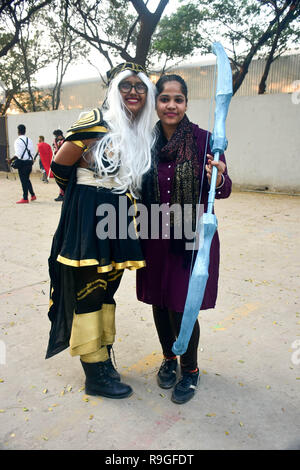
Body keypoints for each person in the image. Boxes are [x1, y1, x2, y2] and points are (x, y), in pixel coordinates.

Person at [45, 62, 156, 400]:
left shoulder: (141, 130)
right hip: (90, 212)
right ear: (114, 89)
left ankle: (103, 359)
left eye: (140, 87)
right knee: (89, 290)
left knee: (107, 289)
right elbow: (60, 167)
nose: (134, 92)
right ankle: (94, 372)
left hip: (120, 214)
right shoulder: (94, 120)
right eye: (126, 85)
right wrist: (86, 200)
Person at [136, 74, 232, 404]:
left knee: (183, 305)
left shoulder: (206, 140)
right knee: (160, 303)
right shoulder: (144, 143)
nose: (171, 105)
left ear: (186, 104)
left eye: (178, 99)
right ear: (156, 103)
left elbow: (225, 188)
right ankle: (168, 358)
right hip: (152, 234)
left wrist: (216, 178)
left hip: (189, 239)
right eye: (164, 99)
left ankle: (190, 370)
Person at [9, 124, 36, 204]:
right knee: (27, 179)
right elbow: (33, 152)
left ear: (18, 131)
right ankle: (33, 195)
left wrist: (10, 160)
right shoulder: (29, 140)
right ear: (25, 131)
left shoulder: (17, 141)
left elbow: (18, 154)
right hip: (30, 162)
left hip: (23, 163)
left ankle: (25, 198)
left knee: (23, 180)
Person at [52, 130, 65, 201]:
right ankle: (62, 194)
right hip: (61, 161)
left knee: (61, 179)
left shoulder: (63, 142)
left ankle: (62, 194)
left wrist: (56, 145)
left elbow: (58, 151)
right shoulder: (61, 141)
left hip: (63, 162)